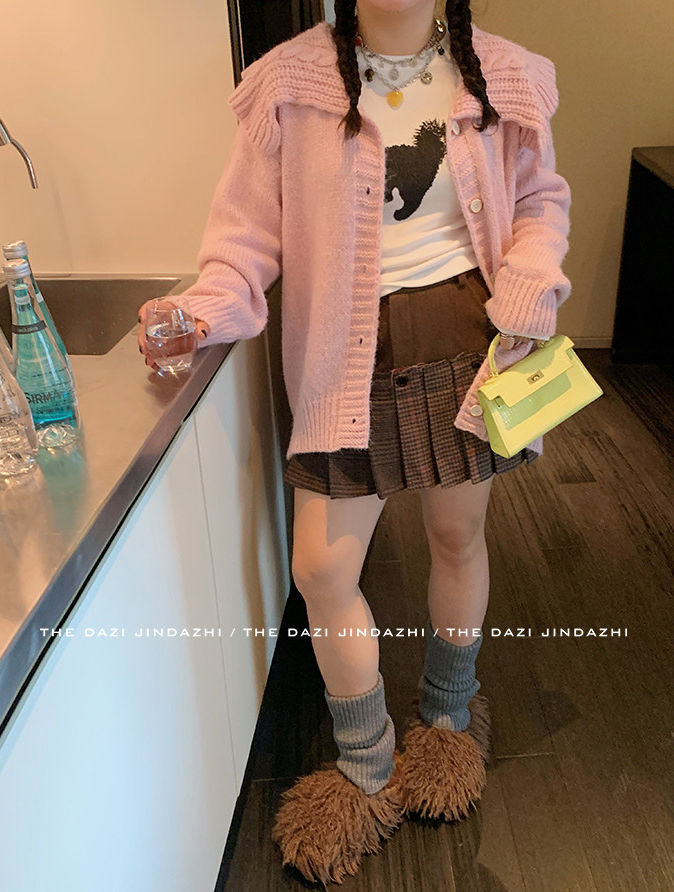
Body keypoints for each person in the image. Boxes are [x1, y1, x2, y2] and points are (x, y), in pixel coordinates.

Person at [137, 0, 571, 884]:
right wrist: (200, 312)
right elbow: (244, 238)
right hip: (343, 361)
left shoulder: (505, 72)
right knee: (322, 570)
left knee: (457, 537)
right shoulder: (289, 83)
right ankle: (366, 763)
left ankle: (448, 719)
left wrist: (528, 291)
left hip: (467, 348)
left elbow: (539, 201)